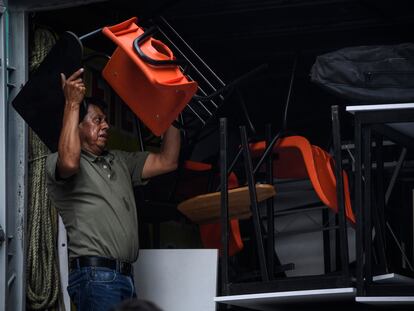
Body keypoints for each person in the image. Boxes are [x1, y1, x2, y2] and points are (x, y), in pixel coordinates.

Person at [46, 68, 180, 311]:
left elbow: (167, 160)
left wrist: (174, 112)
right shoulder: (59, 161)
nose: (106, 126)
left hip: (125, 277)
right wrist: (72, 104)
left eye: (105, 120)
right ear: (77, 127)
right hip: (95, 276)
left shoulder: (120, 160)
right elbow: (68, 162)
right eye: (98, 120)